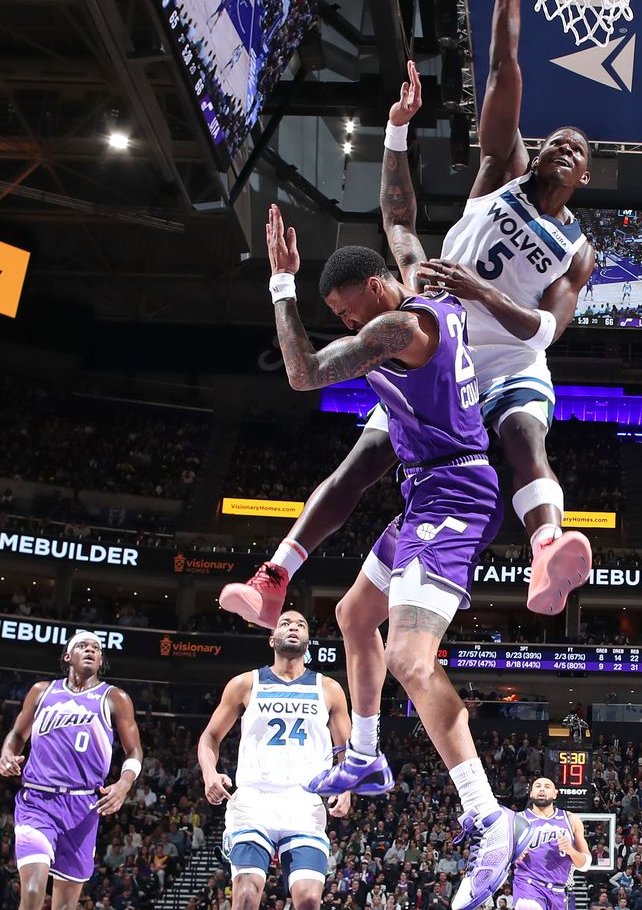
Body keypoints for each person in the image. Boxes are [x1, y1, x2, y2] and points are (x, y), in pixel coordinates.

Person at [225, 0, 599, 625]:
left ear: (587, 171)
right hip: (437, 343)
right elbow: (503, 69)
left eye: (576, 148)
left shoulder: (577, 249)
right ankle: (275, 575)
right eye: (553, 140)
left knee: (523, 437)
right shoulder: (500, 175)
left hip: (505, 355)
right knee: (363, 459)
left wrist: (481, 291)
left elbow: (548, 329)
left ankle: (546, 547)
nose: (561, 147)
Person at [251, 205, 526, 910]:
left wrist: (284, 284)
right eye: (339, 316)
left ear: (375, 290)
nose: (348, 326)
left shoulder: (401, 327)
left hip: (456, 496)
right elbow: (400, 217)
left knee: (410, 659)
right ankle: (366, 756)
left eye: (346, 312)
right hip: (425, 492)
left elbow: (303, 374)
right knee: (352, 614)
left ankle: (491, 818)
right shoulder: (414, 285)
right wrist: (398, 134)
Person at [198, 611, 353, 910]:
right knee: (245, 895)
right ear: (272, 639)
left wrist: (346, 788)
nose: (293, 627)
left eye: (301, 625)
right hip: (255, 799)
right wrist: (209, 773)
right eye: (285, 623)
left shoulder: (329, 689)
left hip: (304, 802)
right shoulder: (246, 683)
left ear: (309, 641)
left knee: (308, 900)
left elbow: (345, 749)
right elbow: (210, 737)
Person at [0, 632, 145, 910]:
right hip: (37, 801)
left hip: (83, 807)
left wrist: (124, 784)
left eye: (96, 648)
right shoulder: (42, 691)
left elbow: (134, 751)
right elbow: (17, 734)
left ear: (101, 660)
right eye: (82, 646)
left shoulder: (114, 697)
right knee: (31, 889)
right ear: (68, 656)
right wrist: (6, 754)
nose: (90, 650)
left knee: (64, 905)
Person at [511, 778, 591, 910]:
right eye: (538, 786)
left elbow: (585, 865)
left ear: (555, 794)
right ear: (531, 793)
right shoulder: (517, 820)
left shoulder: (571, 819)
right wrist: (513, 856)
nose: (542, 789)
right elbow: (500, 855)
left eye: (547, 786)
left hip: (558, 891)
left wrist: (571, 850)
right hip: (528, 884)